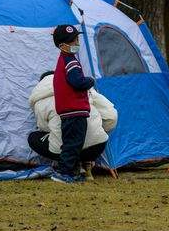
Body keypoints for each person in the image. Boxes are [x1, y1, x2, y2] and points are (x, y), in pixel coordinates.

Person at [28, 70, 118, 172]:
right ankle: (86, 162)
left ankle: (73, 164)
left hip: (64, 151)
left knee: (33, 138)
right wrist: (97, 130)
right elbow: (111, 116)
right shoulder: (83, 88)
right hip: (96, 147)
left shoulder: (39, 100)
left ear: (41, 84)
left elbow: (45, 128)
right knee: (90, 135)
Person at [49, 23, 95, 184]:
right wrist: (90, 81)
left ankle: (68, 170)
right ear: (63, 46)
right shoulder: (71, 62)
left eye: (77, 39)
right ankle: (64, 172)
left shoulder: (63, 60)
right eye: (74, 41)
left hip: (67, 111)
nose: (77, 43)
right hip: (74, 110)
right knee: (74, 143)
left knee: (70, 142)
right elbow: (77, 82)